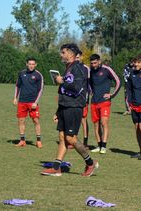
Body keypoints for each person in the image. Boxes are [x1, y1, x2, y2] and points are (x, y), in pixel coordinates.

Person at [41, 43, 98, 177]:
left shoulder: (78, 68)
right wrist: (58, 110)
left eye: (63, 52)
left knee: (71, 138)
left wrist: (63, 81)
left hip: (74, 107)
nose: (61, 55)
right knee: (62, 137)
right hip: (65, 106)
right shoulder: (68, 68)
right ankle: (56, 168)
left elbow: (77, 87)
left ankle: (90, 163)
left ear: (71, 54)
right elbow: (64, 90)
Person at [89, 54, 121, 154]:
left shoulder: (107, 69)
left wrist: (112, 95)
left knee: (104, 123)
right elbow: (89, 83)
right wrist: (91, 91)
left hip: (104, 101)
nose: (93, 65)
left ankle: (104, 146)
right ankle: (98, 145)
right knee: (96, 125)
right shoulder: (91, 71)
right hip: (94, 102)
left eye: (95, 63)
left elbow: (118, 81)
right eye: (92, 63)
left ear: (99, 61)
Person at [13, 57, 43, 148]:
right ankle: (22, 140)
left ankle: (38, 141)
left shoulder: (38, 75)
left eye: (33, 64)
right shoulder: (21, 73)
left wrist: (36, 102)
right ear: (26, 64)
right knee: (21, 121)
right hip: (22, 101)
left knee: (36, 120)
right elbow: (17, 86)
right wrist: (15, 97)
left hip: (32, 102)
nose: (31, 66)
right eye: (29, 64)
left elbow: (40, 89)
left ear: (35, 65)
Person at [126, 54, 141, 160]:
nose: (136, 64)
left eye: (138, 62)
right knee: (137, 128)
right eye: (135, 62)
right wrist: (129, 103)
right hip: (134, 105)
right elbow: (128, 89)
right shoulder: (132, 73)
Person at [76, 50, 90, 147]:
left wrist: (87, 98)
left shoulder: (86, 68)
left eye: (78, 57)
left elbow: (89, 85)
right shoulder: (71, 67)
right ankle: (74, 140)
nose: (76, 59)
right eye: (75, 57)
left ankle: (85, 142)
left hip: (82, 98)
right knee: (74, 119)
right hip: (73, 98)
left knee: (83, 120)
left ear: (81, 57)